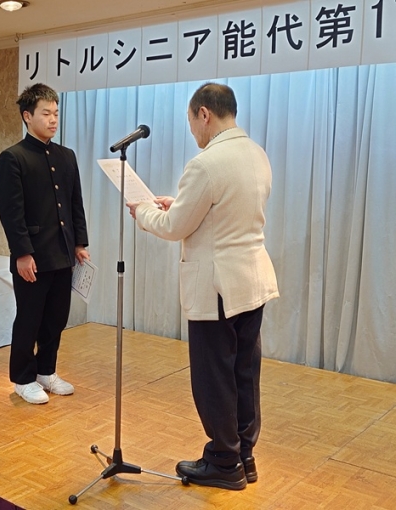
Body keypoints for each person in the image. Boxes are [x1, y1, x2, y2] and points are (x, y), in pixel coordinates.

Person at [127, 83, 279, 490]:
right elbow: (222, 214)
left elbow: (174, 227)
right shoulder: (257, 154)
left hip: (217, 288)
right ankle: (244, 455)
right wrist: (176, 204)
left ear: (204, 114)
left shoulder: (206, 163)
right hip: (251, 281)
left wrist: (142, 211)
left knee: (213, 377)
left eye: (192, 121)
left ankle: (224, 462)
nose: (193, 130)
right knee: (243, 372)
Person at [0, 83, 90, 405]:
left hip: (63, 253)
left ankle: (46, 371)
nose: (53, 120)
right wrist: (22, 253)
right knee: (29, 318)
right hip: (32, 256)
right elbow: (11, 212)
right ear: (27, 116)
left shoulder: (66, 156)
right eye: (46, 113)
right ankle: (23, 378)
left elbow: (75, 203)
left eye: (56, 114)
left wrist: (79, 243)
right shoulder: (13, 157)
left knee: (56, 319)